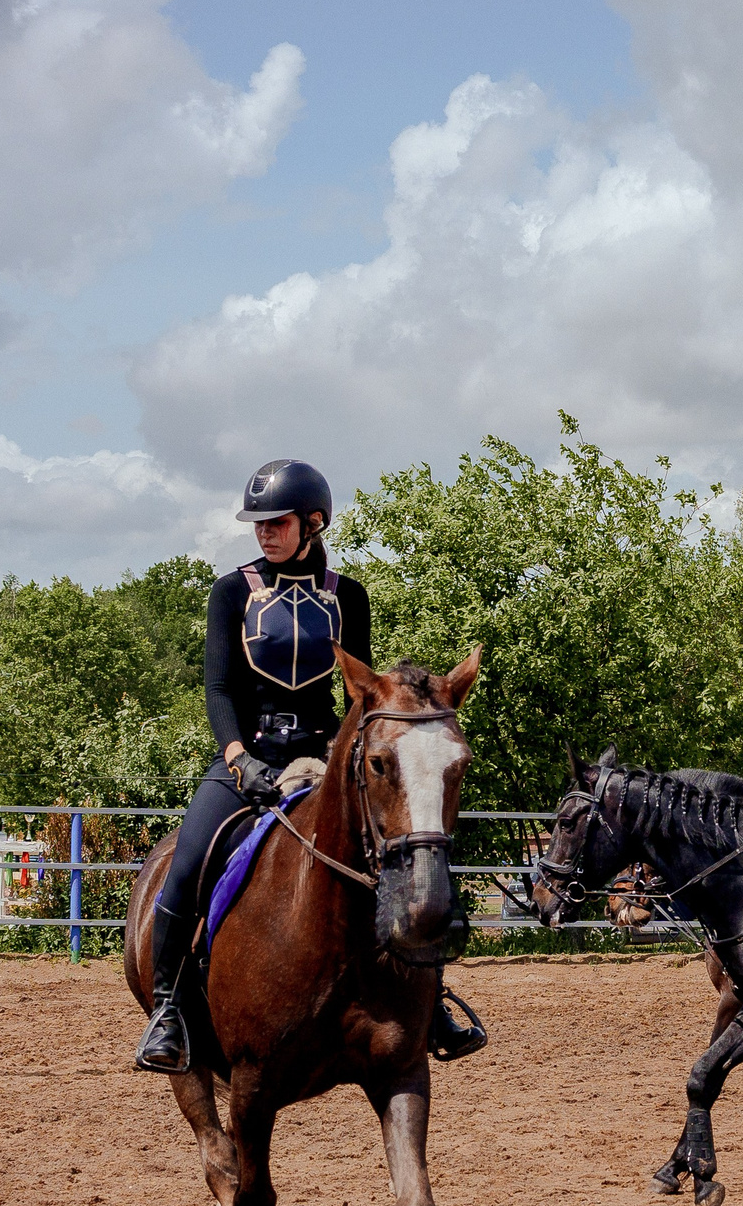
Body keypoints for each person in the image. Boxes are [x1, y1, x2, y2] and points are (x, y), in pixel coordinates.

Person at [132, 460, 488, 1074]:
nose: (264, 531)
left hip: (327, 756)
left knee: (400, 853)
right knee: (186, 865)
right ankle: (167, 1010)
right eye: (258, 523)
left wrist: (352, 761)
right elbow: (218, 689)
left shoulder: (347, 595)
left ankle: (430, 1003)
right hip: (248, 757)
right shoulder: (232, 592)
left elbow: (364, 694)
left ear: (313, 522)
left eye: (277, 521)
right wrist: (237, 758)